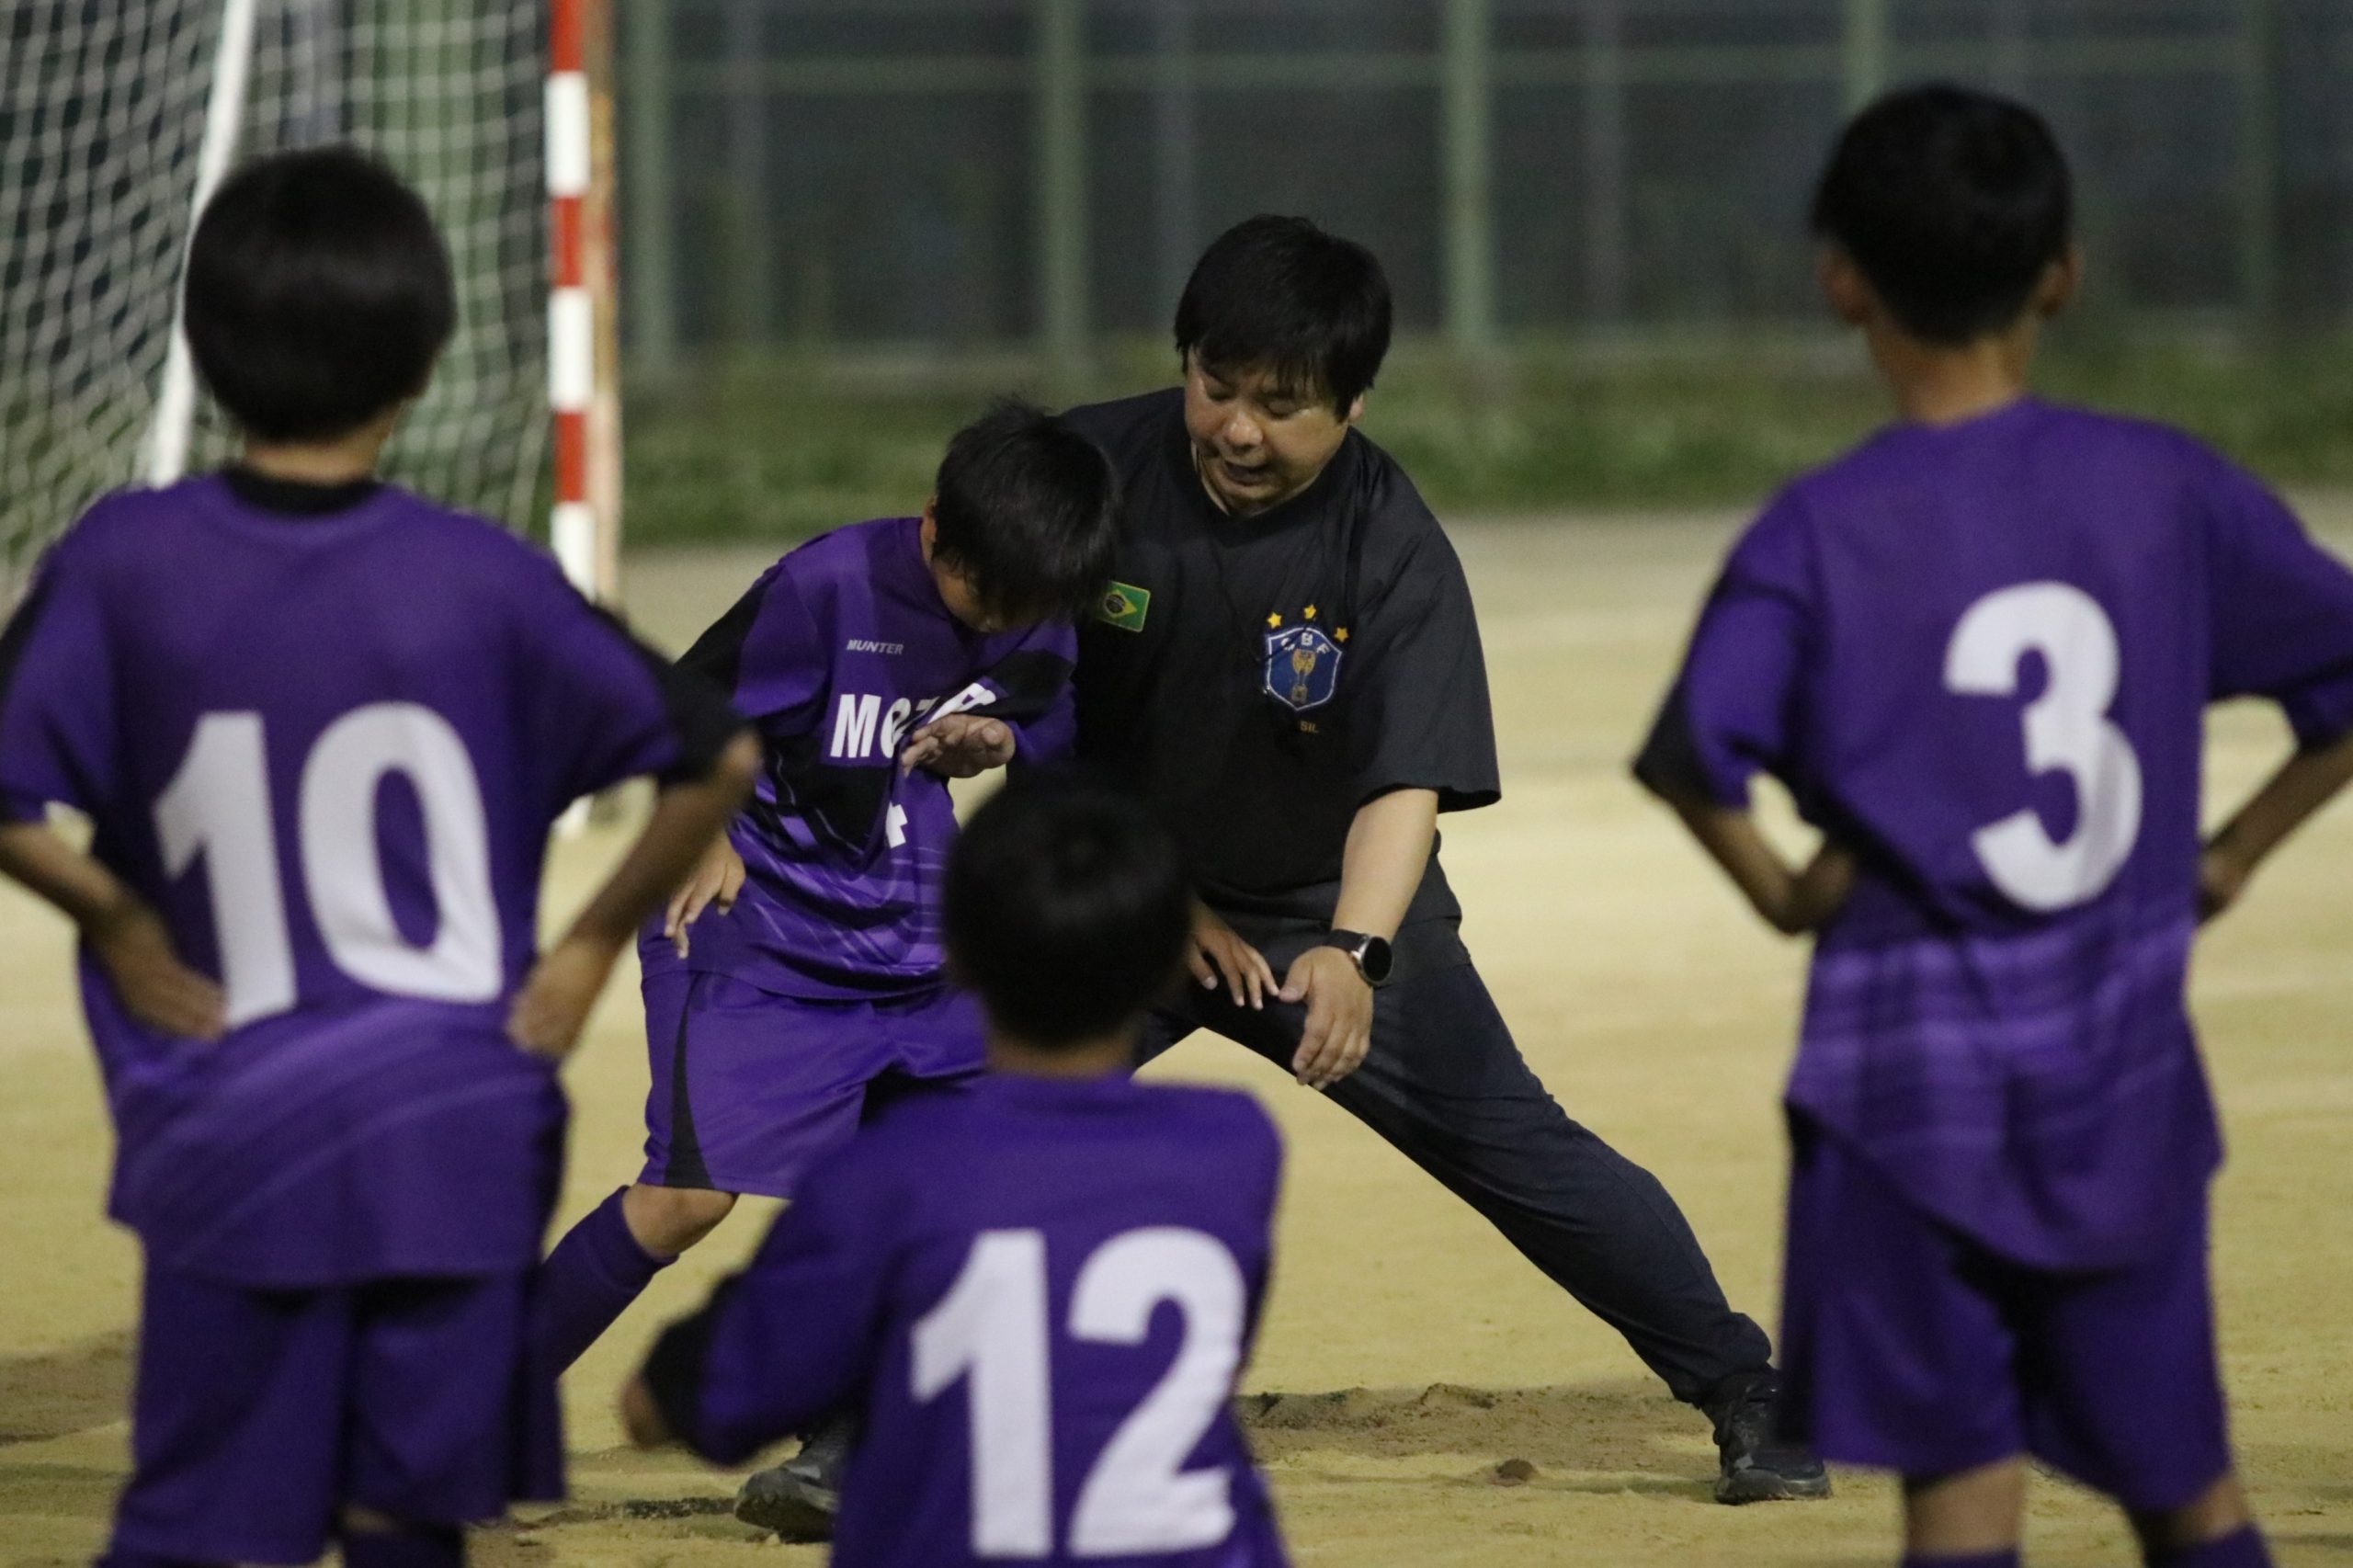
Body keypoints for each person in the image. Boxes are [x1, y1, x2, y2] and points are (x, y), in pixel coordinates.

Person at [0, 147, 756, 1568]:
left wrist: (113, 917)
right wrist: (586, 945)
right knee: (407, 1517)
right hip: (455, 1133)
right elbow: (712, 756)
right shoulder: (483, 576)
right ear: (419, 361)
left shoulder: (129, 560)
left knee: (205, 1520)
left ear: (207, 348)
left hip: (234, 1124)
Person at [1634, 84, 2353, 1568]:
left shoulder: (1822, 529)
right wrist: (2233, 850)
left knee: (1958, 1504)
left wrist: (1785, 892)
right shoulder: (2166, 488)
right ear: (2060, 274)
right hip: (2119, 1092)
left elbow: (1698, 752)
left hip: (1904, 1109)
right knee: (2188, 1488)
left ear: (1843, 280)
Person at [1061, 214, 1824, 1502]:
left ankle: (1747, 1387)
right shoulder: (1085, 471)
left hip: (1322, 896)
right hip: (1116, 890)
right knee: (950, 1105)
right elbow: (1016, 687)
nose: (1237, 430)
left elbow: (1401, 781)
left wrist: (1353, 951)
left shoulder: (1390, 543)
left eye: (1282, 407)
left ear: (1353, 403)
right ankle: (856, 1427)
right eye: (1215, 385)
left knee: (1517, 1146)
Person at [529, 400, 1120, 1534]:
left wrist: (999, 739)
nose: (1003, 619)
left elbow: (1043, 718)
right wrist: (702, 826)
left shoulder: (1034, 600)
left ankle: (852, 1445)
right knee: (686, 1196)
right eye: (985, 593)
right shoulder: (829, 589)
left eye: (1028, 603)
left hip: (911, 929)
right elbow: (681, 708)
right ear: (935, 524)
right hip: (751, 922)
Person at [621, 771, 1290, 1568]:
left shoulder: (888, 1174)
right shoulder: (1234, 1144)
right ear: (1161, 972)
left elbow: (661, 1408)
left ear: (959, 959)